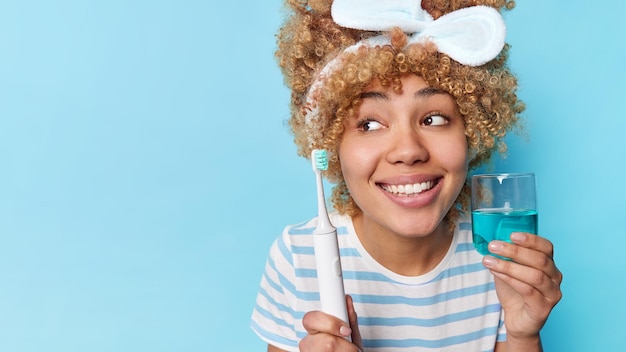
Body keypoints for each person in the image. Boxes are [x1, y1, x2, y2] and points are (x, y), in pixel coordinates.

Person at [251, 0, 562, 351]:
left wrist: (523, 334)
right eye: (369, 124)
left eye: (434, 119)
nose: (408, 150)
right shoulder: (298, 257)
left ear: (472, 131)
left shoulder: (497, 253)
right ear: (331, 142)